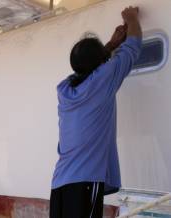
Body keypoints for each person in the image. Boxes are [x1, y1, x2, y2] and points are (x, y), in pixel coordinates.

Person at [50, 6, 142, 218]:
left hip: (60, 183)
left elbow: (90, 68)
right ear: (101, 62)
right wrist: (131, 18)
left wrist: (110, 45)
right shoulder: (104, 79)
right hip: (85, 182)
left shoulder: (64, 89)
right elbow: (133, 47)